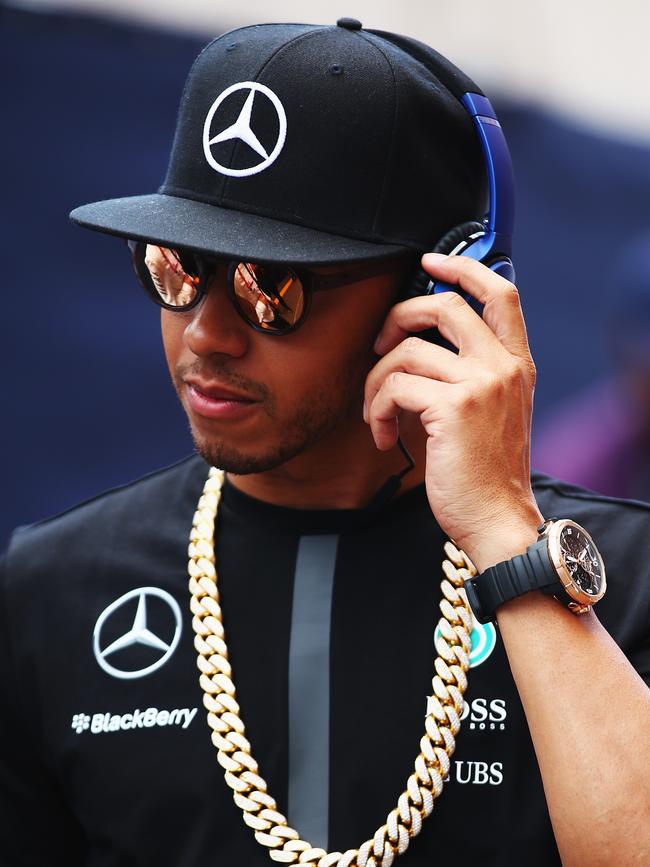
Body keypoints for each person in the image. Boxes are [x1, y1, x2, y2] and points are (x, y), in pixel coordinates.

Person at [1, 18, 649, 867]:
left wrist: (505, 538)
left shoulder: (622, 577)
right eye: (175, 267)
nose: (205, 333)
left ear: (432, 295)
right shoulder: (52, 590)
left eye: (271, 287)